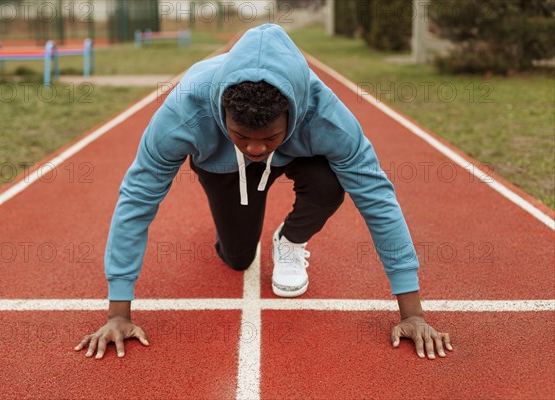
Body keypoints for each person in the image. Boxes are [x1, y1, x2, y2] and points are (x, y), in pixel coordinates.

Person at [74, 23, 452, 360]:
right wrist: (118, 314)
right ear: (222, 113)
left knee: (329, 182)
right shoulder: (183, 113)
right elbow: (137, 198)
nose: (255, 149)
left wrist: (412, 312)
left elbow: (376, 197)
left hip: (299, 155)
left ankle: (291, 238)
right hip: (221, 166)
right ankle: (232, 200)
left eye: (267, 137)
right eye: (242, 136)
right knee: (238, 258)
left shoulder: (326, 116)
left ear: (294, 113)